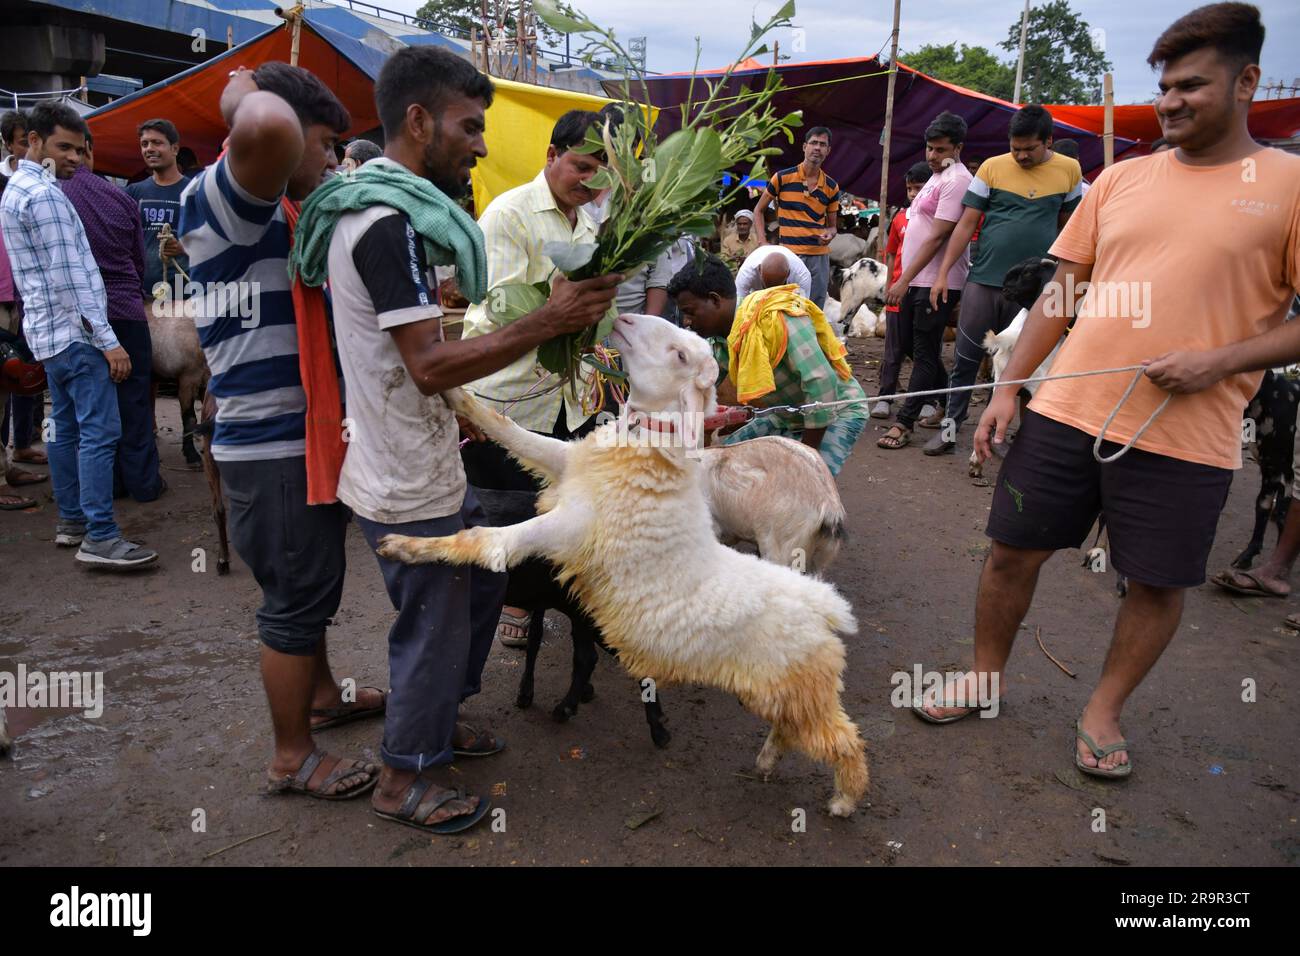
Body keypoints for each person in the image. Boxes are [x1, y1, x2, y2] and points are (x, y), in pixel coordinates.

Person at [918, 3, 1300, 781]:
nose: (1170, 101)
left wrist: (1219, 360)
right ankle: (985, 676)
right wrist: (1009, 390)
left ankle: (1103, 709)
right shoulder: (1120, 179)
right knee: (1008, 555)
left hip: (1187, 437)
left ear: (1247, 82)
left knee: (1156, 582)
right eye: (1164, 86)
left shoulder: (1289, 186)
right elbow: (1062, 294)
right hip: (1065, 411)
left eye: (1192, 85)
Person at [298, 46, 621, 833]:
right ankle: (406, 776)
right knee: (434, 622)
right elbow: (431, 365)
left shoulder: (392, 216)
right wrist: (551, 318)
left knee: (478, 587)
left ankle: (435, 724)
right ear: (418, 121)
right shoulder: (383, 226)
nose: (480, 144)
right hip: (404, 473)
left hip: (423, 458)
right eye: (470, 127)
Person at [179, 62, 380, 802]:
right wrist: (240, 91)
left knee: (310, 585)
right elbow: (264, 124)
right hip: (270, 447)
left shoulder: (283, 209)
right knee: (293, 600)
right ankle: (291, 756)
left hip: (301, 440)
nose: (331, 162)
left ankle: (322, 698)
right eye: (324, 144)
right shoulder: (234, 199)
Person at [459, 109, 623, 648]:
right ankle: (511, 603)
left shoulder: (591, 222)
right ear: (551, 156)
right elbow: (504, 308)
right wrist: (564, 302)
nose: (591, 182)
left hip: (570, 393)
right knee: (507, 506)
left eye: (603, 172)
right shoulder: (509, 215)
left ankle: (553, 598)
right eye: (582, 166)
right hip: (509, 393)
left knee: (558, 504)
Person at [0, 101, 157, 568]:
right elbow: (70, 278)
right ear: (33, 141)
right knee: (100, 433)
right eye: (63, 147)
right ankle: (101, 536)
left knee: (65, 430)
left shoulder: (16, 190)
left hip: (48, 336)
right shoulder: (46, 196)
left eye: (79, 149)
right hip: (78, 336)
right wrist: (109, 342)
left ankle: (72, 523)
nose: (75, 158)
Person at [924, 105, 1083, 455]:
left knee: (1028, 364)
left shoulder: (1069, 170)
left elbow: (1071, 225)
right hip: (985, 278)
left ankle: (1015, 439)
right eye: (1016, 148)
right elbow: (966, 224)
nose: (1022, 155)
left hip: (1034, 290)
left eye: (1030, 148)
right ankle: (950, 432)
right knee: (964, 360)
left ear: (1049, 141)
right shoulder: (993, 168)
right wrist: (943, 273)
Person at [671, 254, 868, 477]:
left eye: (689, 312)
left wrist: (806, 455)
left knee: (803, 486)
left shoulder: (775, 318)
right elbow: (699, 386)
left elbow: (821, 382)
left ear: (715, 300)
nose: (686, 322)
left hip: (837, 411)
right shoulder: (719, 341)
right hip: (785, 416)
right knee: (720, 466)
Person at [60, 132, 164, 502]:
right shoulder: (120, 197)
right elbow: (138, 261)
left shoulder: (57, 198)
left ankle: (102, 489)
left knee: (86, 409)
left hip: (78, 318)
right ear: (91, 149)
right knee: (134, 399)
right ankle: (143, 484)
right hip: (126, 311)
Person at [877, 111, 972, 450]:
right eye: (929, 149)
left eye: (940, 149)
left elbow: (937, 237)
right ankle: (944, 402)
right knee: (917, 350)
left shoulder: (957, 180)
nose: (932, 156)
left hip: (936, 281)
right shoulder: (936, 175)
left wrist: (903, 281)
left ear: (958, 148)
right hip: (918, 279)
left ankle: (904, 423)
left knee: (925, 351)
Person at [753, 126, 840, 308]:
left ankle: (810, 337)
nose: (817, 148)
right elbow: (758, 210)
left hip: (818, 258)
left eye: (822, 144)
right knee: (785, 306)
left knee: (814, 309)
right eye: (813, 143)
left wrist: (830, 234)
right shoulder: (782, 178)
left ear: (828, 151)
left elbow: (832, 227)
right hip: (788, 254)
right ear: (804, 147)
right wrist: (762, 242)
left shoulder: (832, 186)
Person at [872, 162, 932, 418]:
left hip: (926, 292)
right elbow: (891, 254)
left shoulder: (939, 221)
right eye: (909, 189)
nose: (913, 194)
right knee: (893, 348)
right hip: (898, 292)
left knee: (925, 349)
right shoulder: (899, 219)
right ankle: (885, 396)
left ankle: (928, 398)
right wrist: (888, 286)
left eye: (919, 188)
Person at [125, 119, 190, 301]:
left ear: (174, 149)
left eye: (157, 143)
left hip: (185, 294)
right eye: (144, 144)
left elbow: (212, 239)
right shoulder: (133, 192)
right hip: (143, 294)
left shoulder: (194, 191)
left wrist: (183, 247)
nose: (149, 148)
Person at [734, 242, 812, 300]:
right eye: (766, 287)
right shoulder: (746, 274)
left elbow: (801, 309)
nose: (771, 293)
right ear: (759, 270)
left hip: (787, 299)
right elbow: (739, 307)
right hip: (757, 298)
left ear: (788, 274)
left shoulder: (802, 276)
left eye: (776, 288)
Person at [0, 110, 26, 180]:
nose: (31, 148)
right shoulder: (1, 172)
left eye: (34, 141)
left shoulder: (46, 173)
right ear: (9, 145)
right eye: (25, 143)